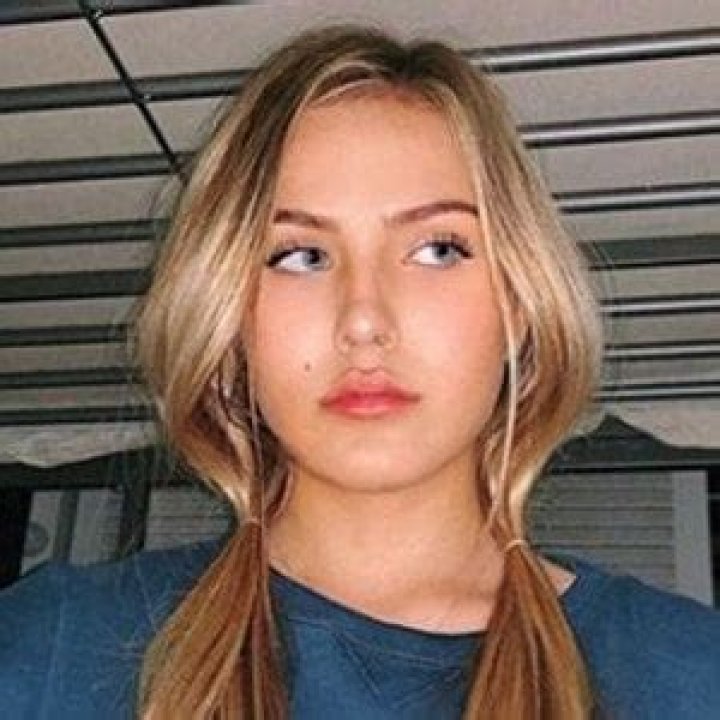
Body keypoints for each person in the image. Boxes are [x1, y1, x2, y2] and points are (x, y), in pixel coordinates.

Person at [1, 25, 719, 720]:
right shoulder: (46, 648)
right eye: (300, 256)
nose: (364, 320)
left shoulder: (692, 675)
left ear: (520, 304)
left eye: (438, 249)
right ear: (229, 320)